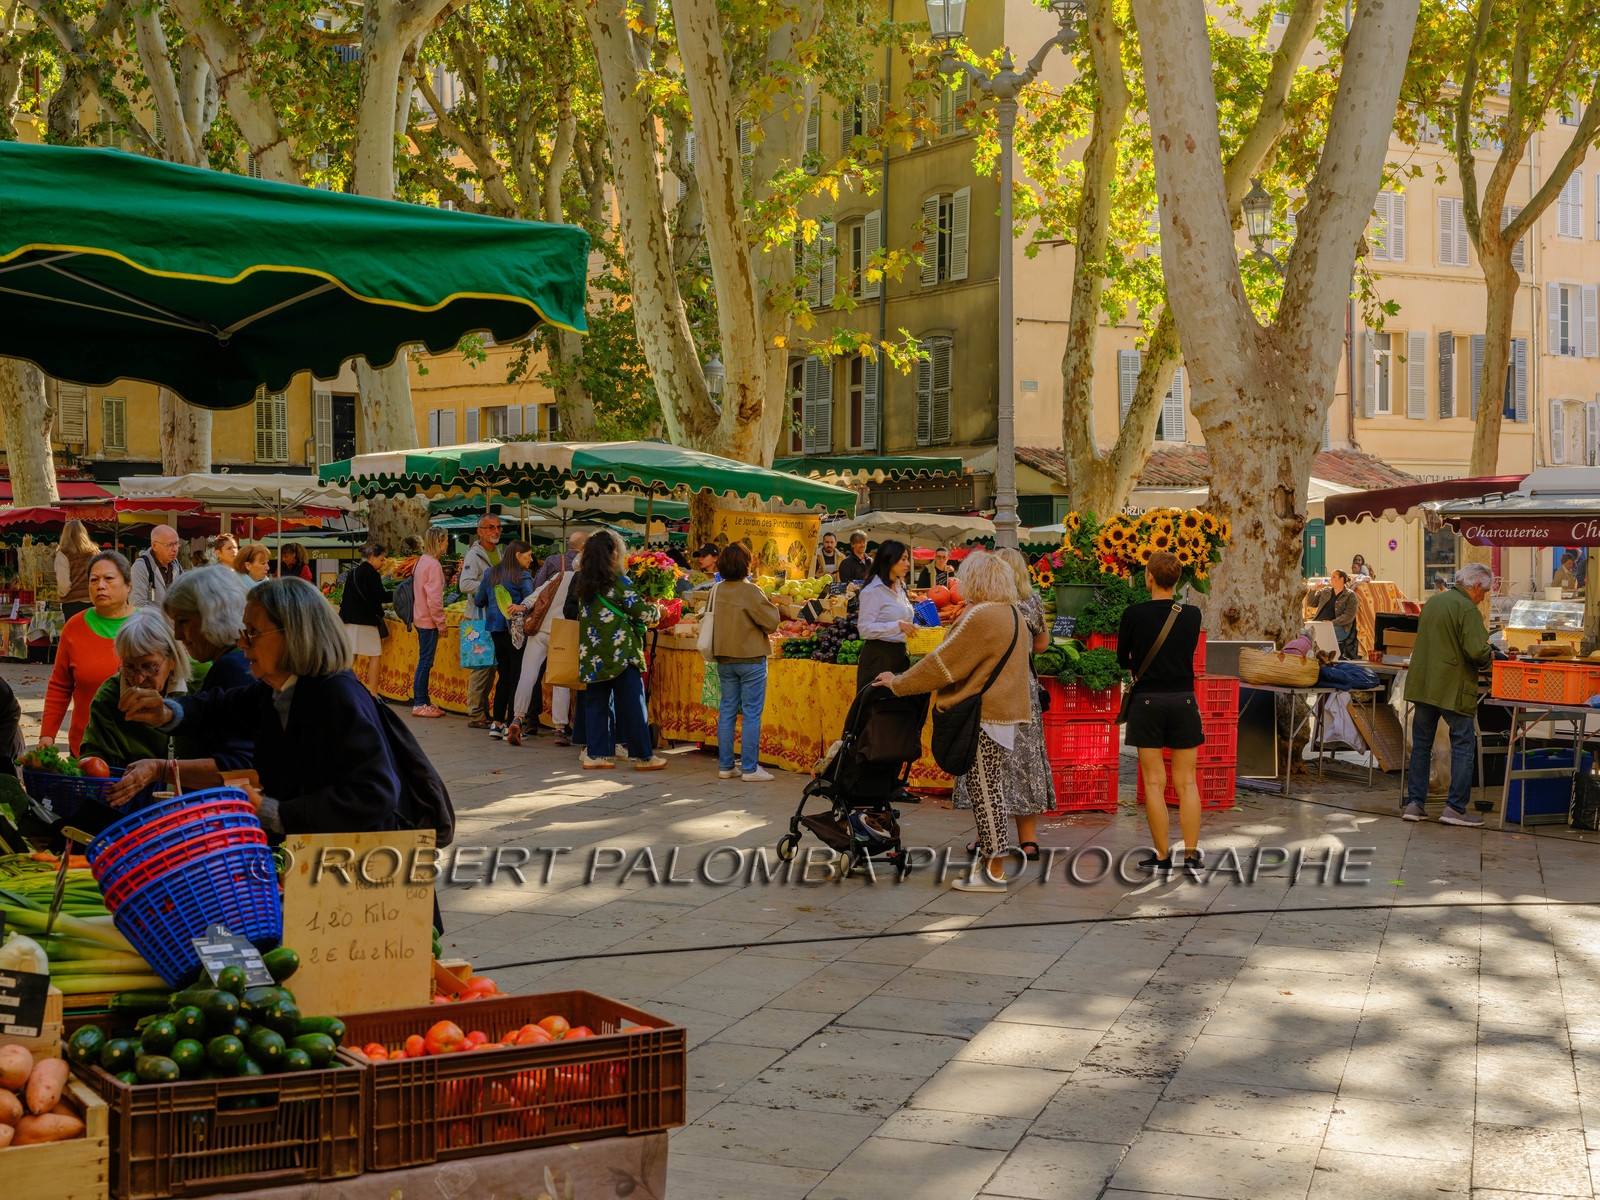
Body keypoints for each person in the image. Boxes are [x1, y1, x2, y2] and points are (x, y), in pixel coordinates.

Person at [118, 577, 404, 833]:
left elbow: (375, 793)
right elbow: (221, 707)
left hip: (355, 870)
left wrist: (274, 812)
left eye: (252, 632)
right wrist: (166, 711)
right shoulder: (281, 690)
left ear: (291, 635)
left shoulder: (335, 697)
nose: (242, 642)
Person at [873, 550, 1033, 892]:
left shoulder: (983, 616)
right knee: (991, 789)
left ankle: (994, 872)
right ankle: (989, 866)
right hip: (1004, 713)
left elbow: (942, 663)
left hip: (984, 714)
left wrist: (898, 682)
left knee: (986, 791)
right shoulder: (1011, 612)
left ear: (976, 580)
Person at [105, 567, 257, 804]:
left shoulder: (231, 667)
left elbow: (240, 767)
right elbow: (207, 711)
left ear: (214, 614)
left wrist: (160, 769)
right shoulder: (231, 663)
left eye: (183, 621)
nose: (177, 634)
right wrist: (166, 713)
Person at [953, 547, 1056, 860]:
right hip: (1023, 691)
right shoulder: (1032, 601)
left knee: (986, 764)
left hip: (990, 691)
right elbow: (1042, 644)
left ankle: (986, 837)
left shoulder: (982, 606)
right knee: (1025, 765)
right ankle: (1029, 840)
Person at [1119, 551, 1206, 873]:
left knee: (1154, 783)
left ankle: (1161, 856)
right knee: (1187, 783)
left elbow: (1121, 659)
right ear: (1178, 580)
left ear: (1149, 578)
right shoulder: (1193, 614)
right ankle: (1193, 855)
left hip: (1147, 701)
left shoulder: (1133, 614)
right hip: (1184, 699)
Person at [562, 530, 666, 771]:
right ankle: (643, 757)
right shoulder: (619, 582)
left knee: (596, 704)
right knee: (633, 705)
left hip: (592, 655)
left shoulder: (584, 583)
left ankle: (597, 755)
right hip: (621, 654)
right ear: (614, 553)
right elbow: (642, 614)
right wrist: (656, 610)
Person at [1402, 561, 1494, 827]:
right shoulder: (1467, 608)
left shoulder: (1434, 602)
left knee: (1421, 745)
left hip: (1424, 684)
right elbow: (1477, 652)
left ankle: (1415, 804)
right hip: (1452, 688)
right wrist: (1491, 654)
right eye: (1483, 593)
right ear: (1475, 586)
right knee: (1463, 744)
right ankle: (1455, 808)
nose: (1482, 598)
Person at [80, 609, 205, 775]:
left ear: (172, 660)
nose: (138, 679)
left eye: (149, 666)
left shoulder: (202, 680)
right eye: (130, 667)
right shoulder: (109, 697)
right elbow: (94, 763)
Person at [39, 551, 135, 754]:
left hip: (139, 748)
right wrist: (47, 734)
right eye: (94, 580)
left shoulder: (148, 625)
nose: (100, 585)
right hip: (86, 747)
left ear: (128, 585)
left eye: (109, 578)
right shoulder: (74, 627)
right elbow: (60, 685)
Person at [707, 542, 781, 782]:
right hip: (750, 659)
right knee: (751, 714)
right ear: (746, 565)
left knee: (727, 710)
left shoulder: (716, 589)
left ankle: (726, 766)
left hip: (724, 658)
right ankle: (749, 768)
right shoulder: (751, 591)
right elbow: (771, 623)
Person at [509, 537, 584, 746]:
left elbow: (537, 594)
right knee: (560, 680)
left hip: (541, 630)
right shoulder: (587, 581)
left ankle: (517, 718)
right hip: (564, 633)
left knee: (528, 675)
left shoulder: (560, 575)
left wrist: (522, 606)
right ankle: (560, 729)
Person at [474, 540, 534, 739]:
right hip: (515, 632)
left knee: (503, 674)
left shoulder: (490, 573)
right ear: (518, 555)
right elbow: (530, 601)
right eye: (528, 556)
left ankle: (496, 724)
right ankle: (510, 725)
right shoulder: (522, 575)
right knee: (516, 675)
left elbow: (478, 600)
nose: (531, 560)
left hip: (495, 630)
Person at [457, 514, 503, 730]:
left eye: (499, 527)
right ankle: (475, 714)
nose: (496, 531)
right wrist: (489, 586)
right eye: (491, 527)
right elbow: (464, 584)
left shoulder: (498, 553)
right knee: (480, 668)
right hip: (477, 619)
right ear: (480, 531)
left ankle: (483, 711)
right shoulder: (473, 555)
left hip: (492, 618)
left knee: (490, 668)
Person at [855, 539, 915, 690]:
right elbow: (864, 629)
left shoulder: (900, 586)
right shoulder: (872, 591)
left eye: (907, 559)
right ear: (889, 560)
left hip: (900, 656)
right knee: (880, 711)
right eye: (903, 559)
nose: (908, 564)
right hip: (878, 659)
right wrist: (897, 626)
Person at [339, 541, 390, 696]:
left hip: (348, 619)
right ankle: (373, 693)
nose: (383, 563)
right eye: (381, 559)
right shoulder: (372, 574)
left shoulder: (353, 572)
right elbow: (380, 596)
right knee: (375, 656)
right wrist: (399, 592)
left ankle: (341, 688)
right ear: (372, 558)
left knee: (351, 656)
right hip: (365, 621)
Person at [411, 526, 448, 718]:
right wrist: (441, 623)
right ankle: (419, 704)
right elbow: (435, 598)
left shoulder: (421, 561)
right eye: (447, 541)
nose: (448, 544)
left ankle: (424, 701)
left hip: (419, 617)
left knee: (425, 661)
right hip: (428, 621)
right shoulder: (433, 565)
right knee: (425, 662)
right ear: (439, 542)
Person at [1305, 569, 1359, 659]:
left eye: (1334, 577)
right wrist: (1313, 590)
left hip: (1339, 627)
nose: (1331, 579)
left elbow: (1349, 616)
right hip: (1320, 624)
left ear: (1342, 579)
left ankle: (1329, 658)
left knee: (1322, 632)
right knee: (1305, 630)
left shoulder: (1350, 595)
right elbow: (1311, 603)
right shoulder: (1325, 591)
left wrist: (1332, 622)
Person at [54, 519, 98, 622]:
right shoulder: (94, 553)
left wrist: (60, 594)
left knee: (75, 636)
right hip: (93, 603)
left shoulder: (63, 554)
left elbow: (64, 585)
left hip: (72, 605)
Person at [130, 525, 183, 608]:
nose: (175, 549)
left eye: (176, 543)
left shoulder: (176, 565)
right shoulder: (140, 567)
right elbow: (137, 605)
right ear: (154, 546)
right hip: (151, 621)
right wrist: (167, 616)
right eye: (169, 544)